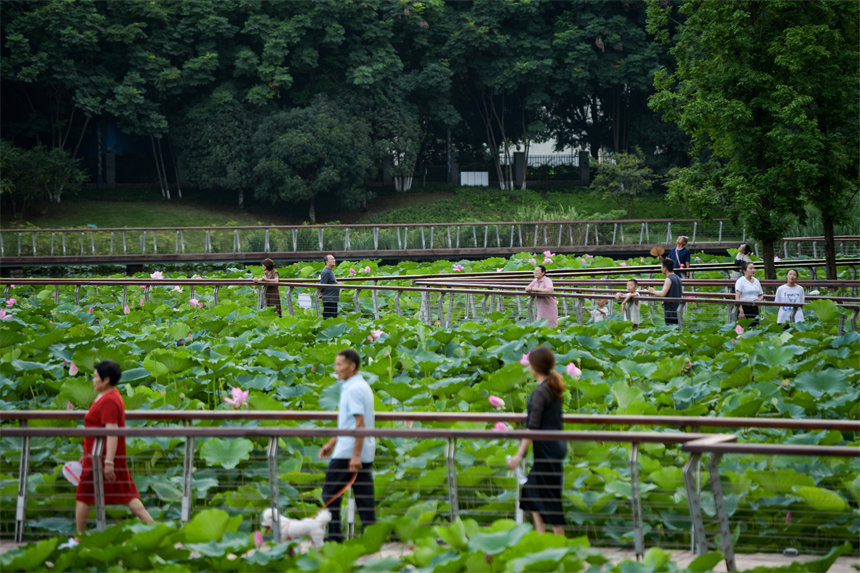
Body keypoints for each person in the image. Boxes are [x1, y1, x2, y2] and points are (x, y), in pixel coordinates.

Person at [66, 361, 153, 547]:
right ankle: (156, 530)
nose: (93, 380)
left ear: (106, 380)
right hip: (97, 455)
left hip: (103, 456)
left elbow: (112, 431)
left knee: (83, 496)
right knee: (128, 496)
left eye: (96, 377)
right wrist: (86, 453)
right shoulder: (106, 396)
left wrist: (108, 463)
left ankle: (78, 540)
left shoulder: (110, 400)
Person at [507, 346, 566, 535]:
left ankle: (560, 541)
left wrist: (518, 456)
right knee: (532, 490)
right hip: (553, 446)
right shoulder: (552, 386)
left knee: (549, 496)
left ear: (534, 367)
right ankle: (541, 534)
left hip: (547, 449)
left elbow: (532, 427)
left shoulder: (541, 392)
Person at [318, 349, 375, 542]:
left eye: (339, 365)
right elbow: (348, 423)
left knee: (330, 493)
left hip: (349, 451)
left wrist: (355, 455)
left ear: (352, 366)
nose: (336, 369)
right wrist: (332, 442)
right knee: (364, 496)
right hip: (358, 448)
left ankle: (334, 536)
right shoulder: (359, 385)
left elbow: (360, 424)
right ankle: (371, 538)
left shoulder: (353, 389)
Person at [648, 259, 683, 325]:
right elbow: (681, 292)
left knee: (670, 327)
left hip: (670, 309)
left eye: (661, 267)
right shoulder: (678, 278)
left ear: (665, 268)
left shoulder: (668, 279)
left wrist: (653, 291)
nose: (661, 268)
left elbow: (662, 294)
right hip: (678, 307)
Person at [735, 261, 764, 326]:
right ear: (744, 271)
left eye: (754, 268)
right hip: (744, 307)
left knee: (755, 328)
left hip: (754, 307)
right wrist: (741, 311)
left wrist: (759, 300)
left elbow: (761, 294)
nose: (753, 270)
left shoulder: (756, 281)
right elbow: (737, 297)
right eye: (750, 268)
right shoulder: (740, 281)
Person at [318, 254, 339, 319]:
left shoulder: (330, 271)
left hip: (333, 298)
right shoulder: (326, 271)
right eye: (332, 259)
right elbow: (322, 284)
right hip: (329, 298)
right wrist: (320, 292)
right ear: (327, 262)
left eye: (334, 259)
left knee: (333, 317)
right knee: (329, 318)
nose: (334, 260)